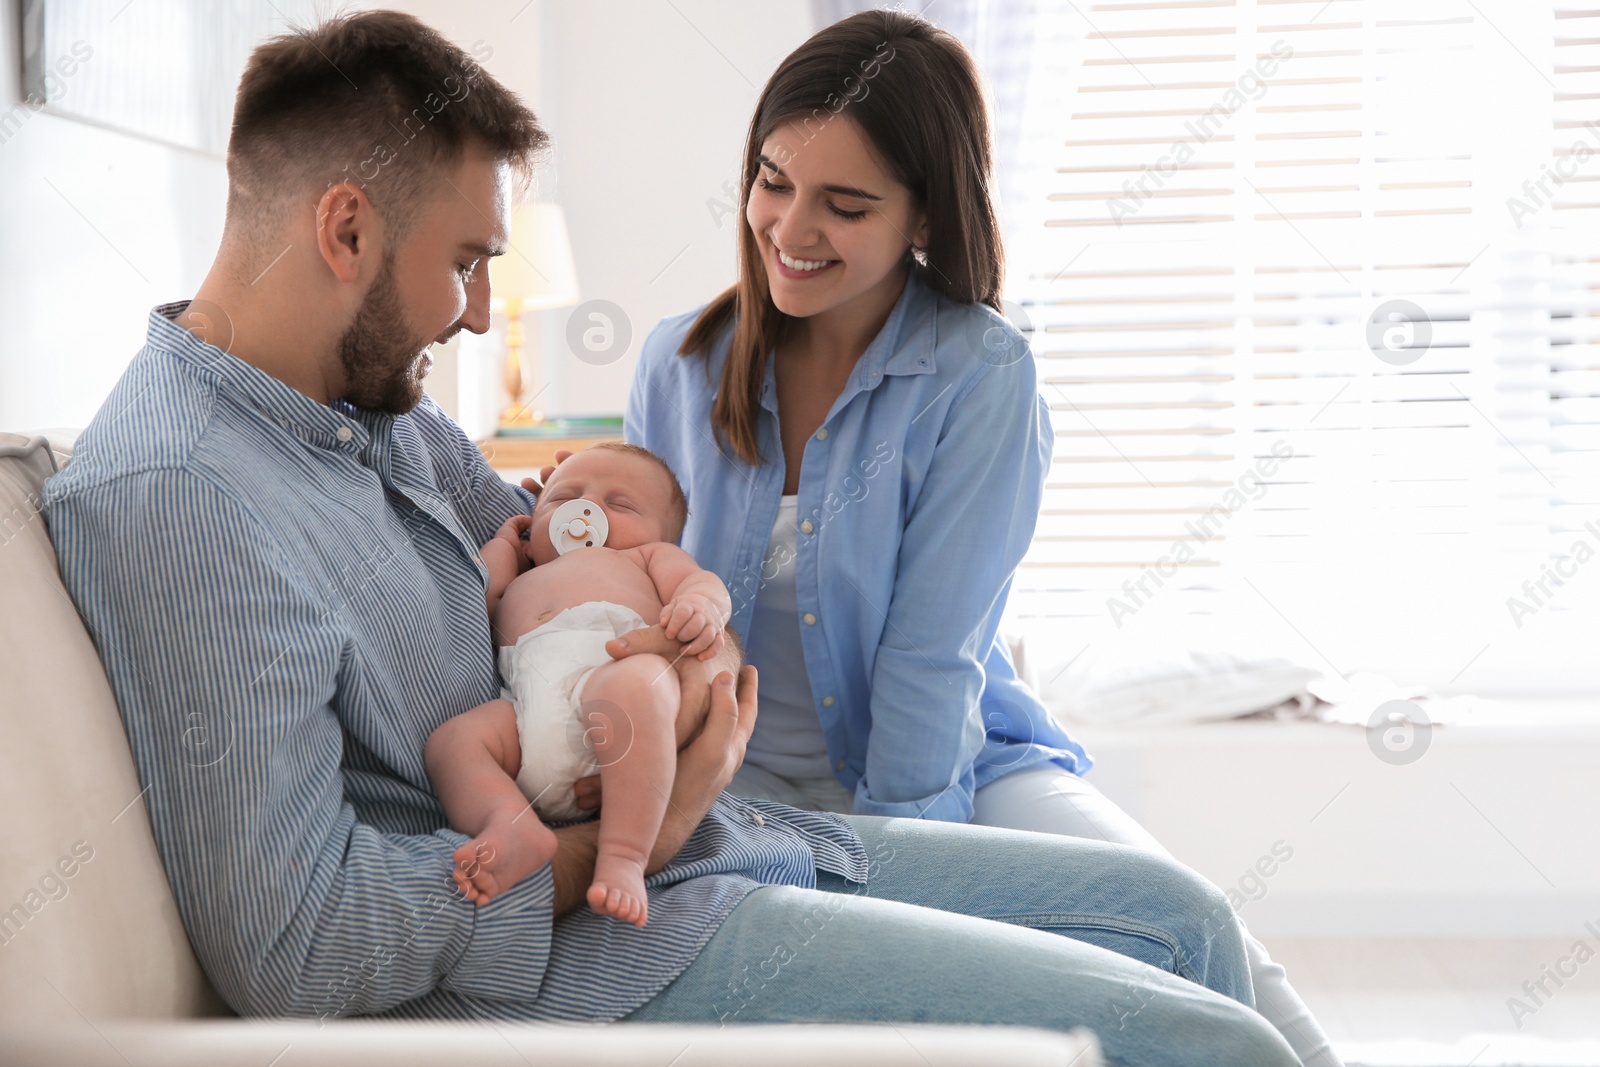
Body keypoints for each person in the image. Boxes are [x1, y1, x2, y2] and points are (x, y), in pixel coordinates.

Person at [38, 11, 1297, 1064]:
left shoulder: (366, 408)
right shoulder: (182, 496)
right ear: (348, 231)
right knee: (1202, 1041)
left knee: (1185, 920)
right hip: (602, 940)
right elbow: (298, 942)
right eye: (470, 262)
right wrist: (625, 832)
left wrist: (688, 710)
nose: (481, 316)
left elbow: (567, 542)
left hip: (716, 834)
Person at [625, 9, 1340, 1066]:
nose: (790, 228)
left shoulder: (977, 373)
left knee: (1192, 925)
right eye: (774, 181)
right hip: (733, 786)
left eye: (846, 204)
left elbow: (930, 657)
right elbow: (636, 589)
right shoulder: (677, 364)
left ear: (923, 214)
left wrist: (926, 866)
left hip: (946, 757)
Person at [425, 443, 731, 927]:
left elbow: (702, 583)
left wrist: (702, 607)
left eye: (621, 504)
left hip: (618, 677)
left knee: (631, 687)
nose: (586, 511)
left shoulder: (648, 556)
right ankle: (510, 822)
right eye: (563, 498)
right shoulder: (526, 574)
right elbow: (480, 599)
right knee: (453, 743)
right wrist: (506, 545)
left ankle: (625, 855)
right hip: (528, 715)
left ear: (665, 534)